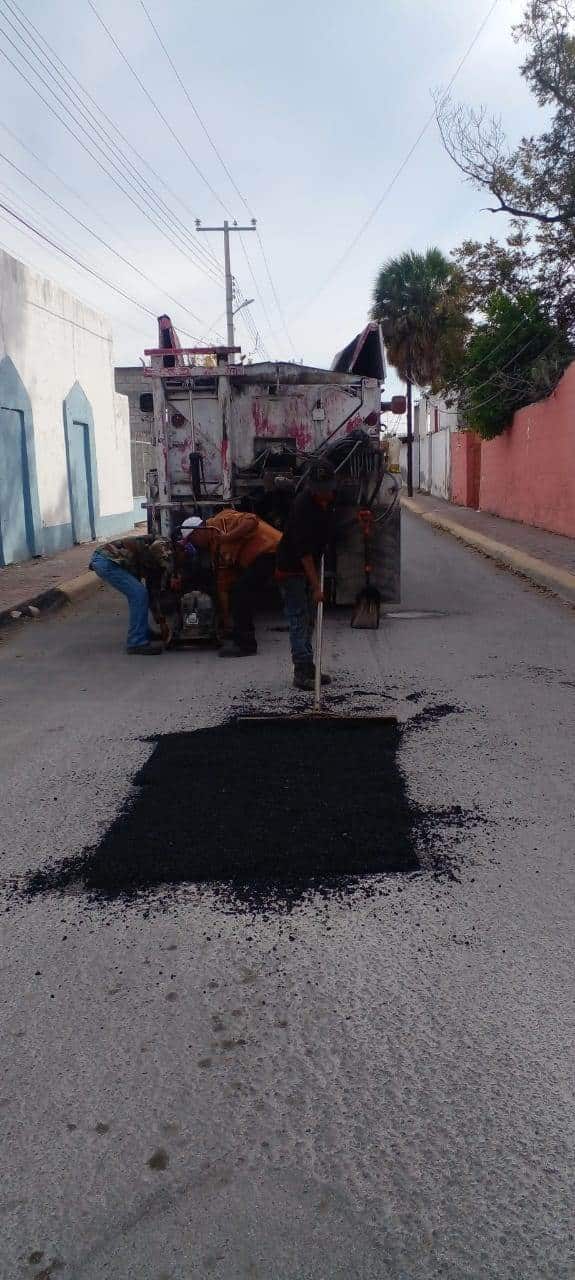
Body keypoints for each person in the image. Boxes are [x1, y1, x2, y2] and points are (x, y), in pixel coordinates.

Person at [275, 459, 336, 690]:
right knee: (298, 617)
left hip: (308, 563)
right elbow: (304, 553)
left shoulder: (329, 501)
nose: (324, 493)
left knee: (310, 618)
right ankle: (301, 671)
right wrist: (317, 587)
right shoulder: (303, 507)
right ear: (311, 486)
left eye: (327, 488)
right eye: (319, 489)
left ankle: (309, 665)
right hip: (291, 568)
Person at [187, 510, 281, 656]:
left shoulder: (221, 521)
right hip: (261, 557)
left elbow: (251, 520)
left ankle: (246, 645)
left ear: (198, 532)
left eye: (192, 541)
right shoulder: (215, 547)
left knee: (242, 592)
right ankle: (239, 636)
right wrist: (226, 622)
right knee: (239, 591)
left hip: (271, 549)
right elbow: (223, 584)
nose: (195, 545)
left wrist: (227, 537)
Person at [90, 535, 173, 654]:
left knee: (138, 595)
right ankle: (136, 642)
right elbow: (153, 590)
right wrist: (162, 622)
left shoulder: (158, 546)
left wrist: (161, 621)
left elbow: (152, 591)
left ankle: (143, 631)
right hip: (108, 561)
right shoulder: (157, 549)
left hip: (111, 560)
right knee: (139, 594)